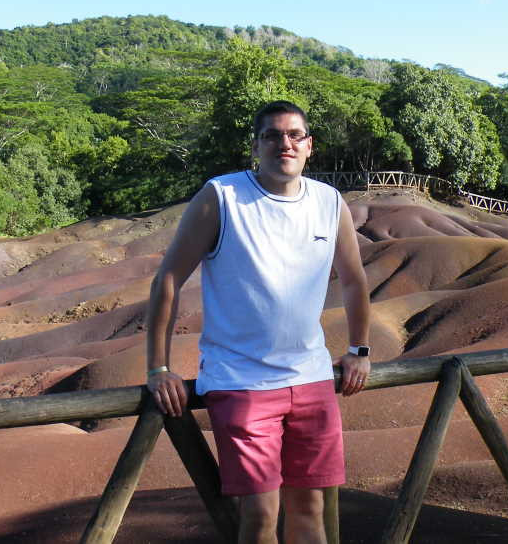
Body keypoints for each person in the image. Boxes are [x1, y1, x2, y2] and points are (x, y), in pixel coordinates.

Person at [143, 100, 372, 544]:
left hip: (311, 378)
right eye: (271, 135)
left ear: (309, 146)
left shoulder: (329, 203)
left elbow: (354, 280)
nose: (283, 143)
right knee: (261, 514)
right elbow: (168, 278)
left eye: (293, 135)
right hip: (242, 381)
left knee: (311, 510)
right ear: (256, 145)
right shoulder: (222, 197)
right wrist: (158, 367)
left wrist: (360, 350)